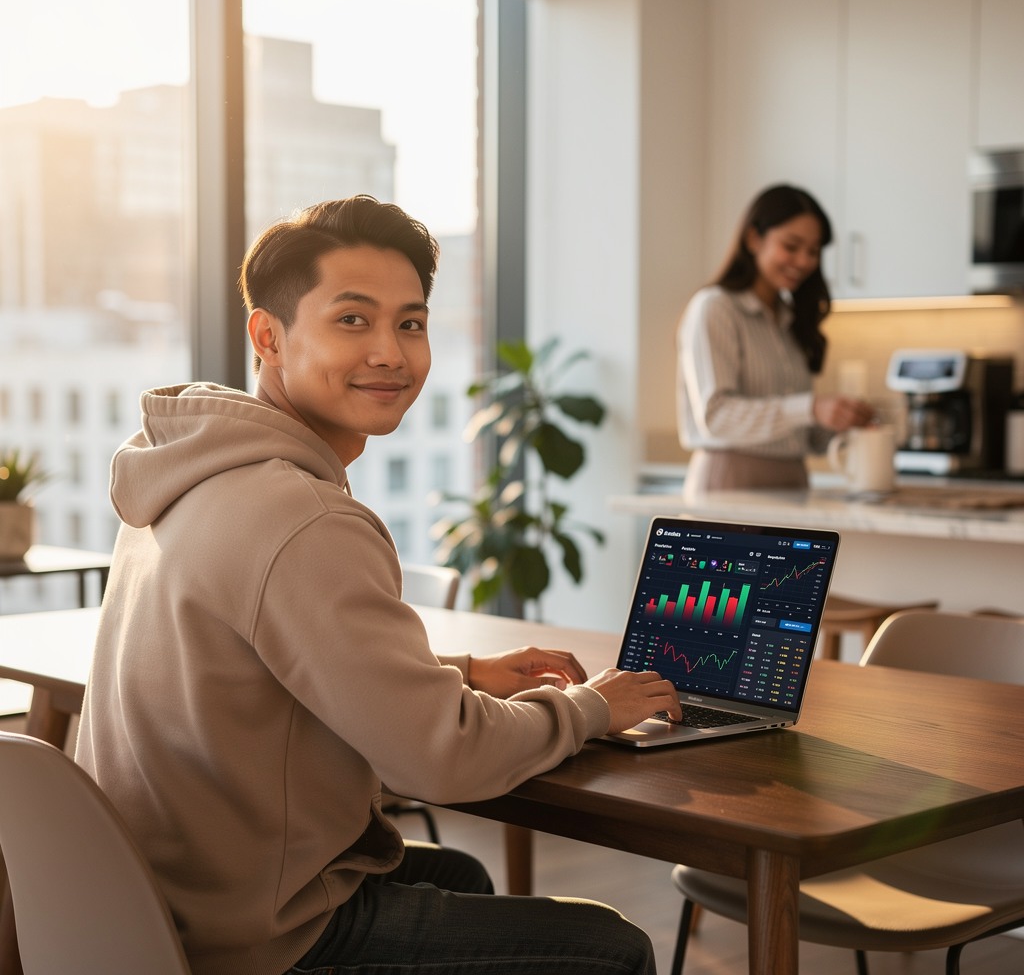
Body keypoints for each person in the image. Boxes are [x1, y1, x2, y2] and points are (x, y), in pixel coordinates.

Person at [75, 195, 682, 975]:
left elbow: (274, 676)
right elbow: (440, 763)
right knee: (613, 948)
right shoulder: (303, 516)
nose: (392, 353)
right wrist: (590, 708)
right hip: (258, 939)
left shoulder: (185, 473)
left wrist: (458, 677)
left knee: (457, 875)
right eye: (353, 320)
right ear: (269, 335)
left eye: (411, 323)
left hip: (151, 905)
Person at [676, 184, 875, 497]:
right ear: (754, 239)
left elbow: (799, 434)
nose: (803, 261)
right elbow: (716, 417)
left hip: (792, 481)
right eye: (791, 246)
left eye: (813, 251)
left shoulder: (790, 321)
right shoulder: (715, 307)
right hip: (730, 481)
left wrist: (838, 420)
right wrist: (811, 407)